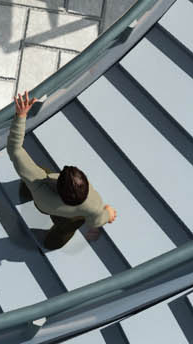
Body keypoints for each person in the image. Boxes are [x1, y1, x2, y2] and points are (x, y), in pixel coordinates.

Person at [8, 94, 116, 247]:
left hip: (42, 203)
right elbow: (96, 220)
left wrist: (21, 115)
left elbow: (15, 149)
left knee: (34, 176)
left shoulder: (37, 182)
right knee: (64, 229)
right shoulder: (93, 203)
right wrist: (108, 213)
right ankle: (52, 244)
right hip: (68, 217)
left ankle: (26, 192)